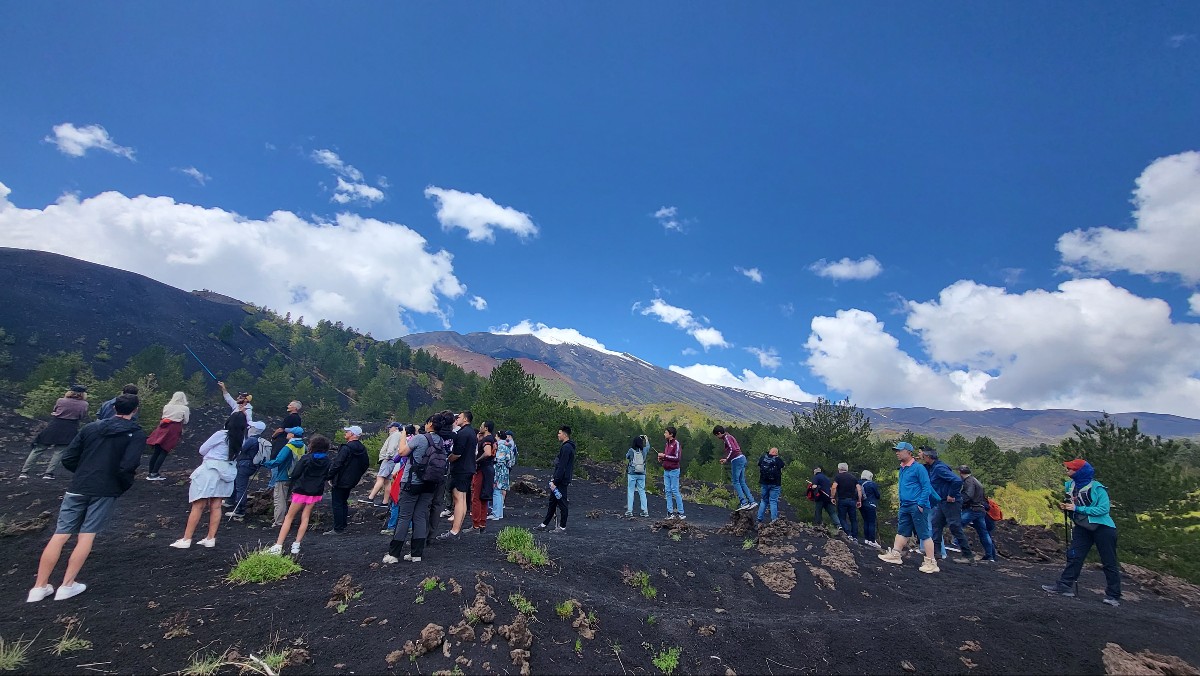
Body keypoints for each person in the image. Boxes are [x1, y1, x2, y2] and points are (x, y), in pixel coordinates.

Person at [27, 394, 144, 603]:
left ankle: (39, 587)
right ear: (135, 410)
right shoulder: (135, 434)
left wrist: (82, 472)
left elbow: (69, 457)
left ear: (114, 408)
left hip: (78, 486)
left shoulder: (91, 428)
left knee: (60, 534)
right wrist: (121, 485)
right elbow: (128, 465)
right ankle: (67, 585)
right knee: (86, 535)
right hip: (105, 489)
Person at [1041, 459, 1121, 607]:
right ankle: (1065, 585)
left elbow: (1104, 509)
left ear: (1081, 471)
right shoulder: (1071, 486)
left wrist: (1077, 509)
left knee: (1108, 561)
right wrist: (1068, 507)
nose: (1067, 470)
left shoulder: (1097, 488)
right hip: (1083, 526)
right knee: (1074, 556)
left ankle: (1113, 595)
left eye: (1071, 468)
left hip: (1103, 528)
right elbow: (1075, 505)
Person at [169, 408, 245, 550]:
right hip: (227, 472)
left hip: (211, 470)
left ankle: (186, 539)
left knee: (198, 505)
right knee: (216, 505)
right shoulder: (242, 439)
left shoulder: (221, 434)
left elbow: (202, 450)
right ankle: (210, 538)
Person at [384, 412, 454, 563]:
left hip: (412, 483)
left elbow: (402, 452)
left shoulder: (420, 438)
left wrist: (403, 433)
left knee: (404, 516)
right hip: (430, 484)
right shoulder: (440, 441)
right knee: (420, 516)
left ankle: (393, 554)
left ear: (430, 424)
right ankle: (416, 553)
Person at [878, 442, 939, 573]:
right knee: (902, 531)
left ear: (909, 452)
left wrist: (921, 504)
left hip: (917, 506)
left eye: (900, 450)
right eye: (897, 450)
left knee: (924, 534)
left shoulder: (918, 468)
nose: (897, 453)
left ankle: (931, 562)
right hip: (905, 505)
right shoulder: (902, 468)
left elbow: (926, 487)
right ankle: (896, 554)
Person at [268, 435, 332, 556]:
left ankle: (278, 546)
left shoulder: (306, 458)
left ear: (313, 445)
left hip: (301, 490)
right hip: (316, 491)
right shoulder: (327, 461)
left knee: (289, 517)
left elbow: (296, 473)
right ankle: (296, 545)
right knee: (305, 517)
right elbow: (328, 475)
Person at [21, 385, 89, 480]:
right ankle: (48, 474)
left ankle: (24, 472)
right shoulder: (84, 404)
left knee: (38, 449)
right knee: (59, 452)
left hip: (55, 425)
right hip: (70, 427)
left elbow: (55, 410)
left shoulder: (61, 400)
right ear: (83, 394)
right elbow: (81, 416)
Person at [920, 447, 974, 564]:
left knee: (954, 526)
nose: (922, 458)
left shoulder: (939, 468)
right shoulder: (933, 467)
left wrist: (951, 494)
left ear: (928, 457)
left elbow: (957, 481)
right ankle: (936, 553)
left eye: (923, 456)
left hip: (951, 502)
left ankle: (968, 556)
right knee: (936, 524)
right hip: (942, 501)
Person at [438, 411, 477, 540]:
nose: (456, 419)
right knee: (462, 498)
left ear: (465, 419)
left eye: (459, 417)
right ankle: (457, 527)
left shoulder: (463, 433)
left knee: (458, 498)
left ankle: (454, 531)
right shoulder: (471, 432)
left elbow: (457, 453)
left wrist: (447, 459)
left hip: (461, 469)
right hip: (468, 468)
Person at [325, 426, 369, 535]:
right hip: (351, 480)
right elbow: (365, 464)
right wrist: (356, 475)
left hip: (340, 479)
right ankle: (342, 525)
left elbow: (337, 463)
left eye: (348, 431)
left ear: (352, 434)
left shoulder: (346, 448)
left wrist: (329, 476)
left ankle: (338, 528)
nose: (345, 432)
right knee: (343, 502)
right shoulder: (362, 448)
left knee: (337, 503)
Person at [263, 427, 305, 527]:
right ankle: (288, 519)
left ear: (292, 435)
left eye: (289, 433)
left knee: (280, 500)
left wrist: (265, 463)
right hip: (295, 477)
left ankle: (279, 522)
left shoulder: (289, 446)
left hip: (283, 475)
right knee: (288, 498)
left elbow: (278, 460)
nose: (287, 434)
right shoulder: (304, 446)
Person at [537, 425, 575, 532]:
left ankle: (562, 527)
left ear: (565, 434)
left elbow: (562, 466)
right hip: (560, 479)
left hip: (561, 480)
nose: (558, 435)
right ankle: (544, 524)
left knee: (562, 503)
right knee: (552, 502)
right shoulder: (567, 447)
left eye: (559, 433)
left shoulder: (566, 448)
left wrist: (556, 481)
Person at [229, 420, 269, 520]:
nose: (249, 428)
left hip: (244, 465)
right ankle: (233, 503)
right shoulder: (259, 440)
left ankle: (240, 510)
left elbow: (241, 450)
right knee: (239, 485)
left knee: (241, 487)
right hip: (251, 466)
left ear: (255, 429)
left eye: (251, 427)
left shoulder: (251, 440)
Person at [145, 391, 191, 480]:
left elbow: (163, 417)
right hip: (173, 429)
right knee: (165, 450)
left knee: (157, 451)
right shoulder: (185, 408)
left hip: (162, 427)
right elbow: (186, 421)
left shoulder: (167, 406)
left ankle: (151, 473)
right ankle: (154, 473)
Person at [957, 465, 997, 563]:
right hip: (980, 510)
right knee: (983, 533)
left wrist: (958, 501)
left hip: (973, 509)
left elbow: (968, 495)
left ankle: (957, 546)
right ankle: (990, 556)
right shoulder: (976, 481)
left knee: (957, 524)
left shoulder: (969, 481)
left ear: (961, 473)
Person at [714, 425, 755, 510]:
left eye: (716, 435)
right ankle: (752, 501)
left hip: (736, 460)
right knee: (742, 481)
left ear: (719, 433)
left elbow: (732, 449)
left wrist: (727, 459)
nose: (717, 437)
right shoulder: (730, 436)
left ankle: (743, 502)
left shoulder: (727, 438)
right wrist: (727, 459)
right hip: (742, 458)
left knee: (735, 481)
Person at [365, 422, 403, 506]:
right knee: (387, 481)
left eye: (391, 427)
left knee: (380, 477)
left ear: (396, 428)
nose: (389, 429)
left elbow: (392, 447)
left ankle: (370, 498)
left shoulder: (395, 435)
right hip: (393, 460)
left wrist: (387, 457)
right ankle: (385, 502)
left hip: (389, 459)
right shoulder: (399, 435)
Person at [469, 422, 497, 532]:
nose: (480, 428)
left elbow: (488, 453)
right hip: (489, 469)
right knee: (484, 497)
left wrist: (476, 461)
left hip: (482, 470)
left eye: (481, 426)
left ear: (485, 428)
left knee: (476, 497)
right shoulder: (493, 439)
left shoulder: (487, 440)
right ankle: (482, 523)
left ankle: (476, 524)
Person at [830, 462, 863, 540]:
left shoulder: (838, 477)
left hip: (842, 500)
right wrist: (859, 500)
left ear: (839, 469)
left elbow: (834, 487)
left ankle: (848, 534)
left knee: (842, 518)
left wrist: (832, 497)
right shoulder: (853, 478)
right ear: (847, 469)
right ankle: (855, 536)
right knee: (853, 519)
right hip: (852, 500)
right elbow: (859, 489)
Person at [659, 426, 685, 520]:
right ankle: (670, 512)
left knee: (675, 490)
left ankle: (681, 512)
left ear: (671, 434)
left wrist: (665, 456)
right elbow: (668, 457)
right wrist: (662, 459)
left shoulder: (676, 444)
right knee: (667, 491)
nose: (664, 434)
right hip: (666, 470)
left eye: (666, 432)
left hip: (674, 470)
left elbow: (677, 458)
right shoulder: (667, 444)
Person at [490, 430, 516, 520]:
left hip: (499, 471)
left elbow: (499, 459)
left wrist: (493, 462)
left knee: (496, 491)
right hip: (505, 470)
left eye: (496, 436)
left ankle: (496, 514)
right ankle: (499, 513)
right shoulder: (508, 446)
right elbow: (512, 461)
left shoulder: (500, 446)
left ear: (498, 437)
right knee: (500, 492)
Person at [756, 447, 785, 524]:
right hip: (775, 484)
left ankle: (759, 519)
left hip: (764, 483)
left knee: (763, 500)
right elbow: (782, 465)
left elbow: (759, 464)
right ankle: (774, 520)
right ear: (776, 453)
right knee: (773, 501)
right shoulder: (778, 459)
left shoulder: (763, 458)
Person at [625, 435, 650, 518]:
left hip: (632, 473)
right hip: (642, 473)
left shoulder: (631, 450)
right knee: (642, 491)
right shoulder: (644, 450)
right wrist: (646, 439)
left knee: (631, 491)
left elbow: (627, 456)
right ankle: (645, 511)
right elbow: (648, 447)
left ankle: (629, 511)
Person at [858, 470, 882, 549]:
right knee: (871, 522)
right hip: (871, 504)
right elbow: (877, 495)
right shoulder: (871, 484)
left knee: (866, 521)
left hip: (861, 504)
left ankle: (867, 539)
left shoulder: (858, 483)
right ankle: (872, 540)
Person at [809, 467, 838, 531]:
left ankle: (818, 524)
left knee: (818, 512)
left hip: (820, 498)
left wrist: (813, 487)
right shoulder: (826, 478)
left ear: (815, 472)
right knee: (832, 512)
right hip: (828, 497)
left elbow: (814, 486)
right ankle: (838, 525)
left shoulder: (816, 477)